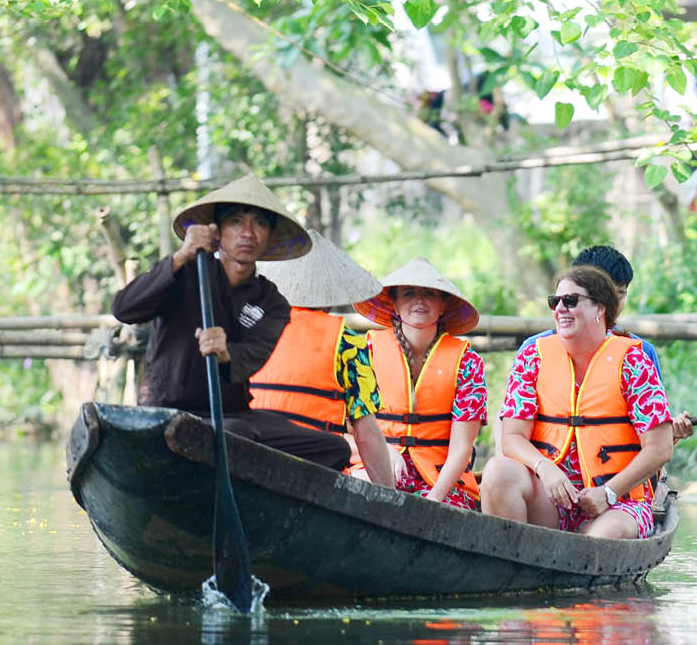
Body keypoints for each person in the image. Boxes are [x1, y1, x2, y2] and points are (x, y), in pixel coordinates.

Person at [110, 173, 351, 470]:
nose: (248, 233)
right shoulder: (185, 272)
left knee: (333, 448)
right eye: (236, 222)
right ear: (218, 232)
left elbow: (252, 357)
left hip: (231, 414)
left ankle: (267, 501)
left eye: (259, 224)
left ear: (270, 236)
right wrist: (181, 255)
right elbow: (124, 308)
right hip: (169, 411)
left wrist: (226, 353)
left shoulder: (271, 301)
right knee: (234, 435)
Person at [481, 266, 675, 538]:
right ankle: (511, 568)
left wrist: (608, 493)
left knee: (606, 535)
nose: (560, 308)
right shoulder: (533, 357)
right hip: (552, 494)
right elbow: (512, 437)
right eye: (555, 302)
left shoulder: (634, 361)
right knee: (498, 471)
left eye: (571, 301)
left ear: (600, 309)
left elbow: (660, 448)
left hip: (618, 501)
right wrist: (545, 469)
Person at [249, 230, 396, 487]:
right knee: (340, 449)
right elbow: (366, 435)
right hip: (312, 468)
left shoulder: (250, 325)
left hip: (247, 453)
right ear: (331, 293)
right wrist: (390, 496)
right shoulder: (347, 341)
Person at [350, 258, 487, 509]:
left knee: (445, 511)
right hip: (376, 464)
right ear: (395, 303)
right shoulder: (366, 349)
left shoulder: (468, 361)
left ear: (443, 305)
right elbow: (347, 425)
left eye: (429, 294)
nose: (419, 301)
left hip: (442, 479)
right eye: (409, 293)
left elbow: (461, 449)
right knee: (357, 494)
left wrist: (434, 499)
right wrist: (385, 452)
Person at [517, 245, 694, 441]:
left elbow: (655, 444)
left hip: (621, 468)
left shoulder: (641, 353)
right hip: (548, 467)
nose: (613, 302)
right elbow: (513, 433)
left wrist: (672, 434)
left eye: (620, 293)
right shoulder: (534, 352)